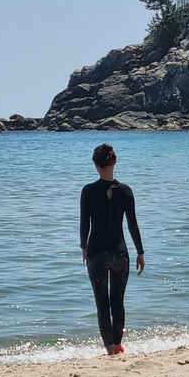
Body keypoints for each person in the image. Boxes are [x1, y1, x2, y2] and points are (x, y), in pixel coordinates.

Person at [80, 144, 144, 355]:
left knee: (102, 305)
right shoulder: (126, 191)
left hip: (97, 253)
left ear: (95, 165)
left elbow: (84, 224)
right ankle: (117, 346)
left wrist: (83, 247)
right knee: (118, 303)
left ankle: (110, 350)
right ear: (114, 162)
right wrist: (140, 252)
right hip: (120, 253)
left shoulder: (88, 191)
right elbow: (133, 225)